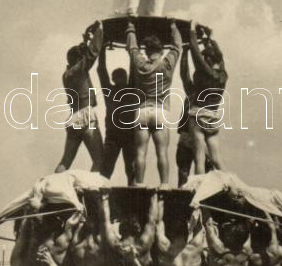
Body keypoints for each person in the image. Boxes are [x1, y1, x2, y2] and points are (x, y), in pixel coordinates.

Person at [126, 18, 182, 184]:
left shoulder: (140, 64)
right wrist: (173, 26)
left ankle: (139, 184)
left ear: (146, 50)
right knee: (162, 152)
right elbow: (177, 46)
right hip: (160, 111)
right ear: (162, 50)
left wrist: (131, 27)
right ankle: (164, 184)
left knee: (140, 152)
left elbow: (132, 48)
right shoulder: (167, 64)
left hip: (142, 110)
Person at [55, 21, 104, 174]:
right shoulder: (79, 70)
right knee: (100, 160)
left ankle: (51, 185)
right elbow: (91, 54)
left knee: (65, 161)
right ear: (78, 60)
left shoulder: (67, 74)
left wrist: (85, 40)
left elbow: (82, 54)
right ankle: (92, 186)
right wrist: (100, 31)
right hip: (85, 115)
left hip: (73, 117)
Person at [180, 23, 228, 174]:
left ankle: (199, 186)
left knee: (199, 157)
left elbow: (196, 53)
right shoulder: (223, 75)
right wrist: (210, 38)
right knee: (216, 159)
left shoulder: (204, 72)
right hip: (213, 117)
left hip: (198, 115)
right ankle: (229, 184)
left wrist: (192, 31)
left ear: (207, 59)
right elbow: (219, 57)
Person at [97, 39, 135, 183]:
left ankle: (102, 188)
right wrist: (131, 51)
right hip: (125, 133)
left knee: (107, 169)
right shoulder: (131, 88)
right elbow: (133, 69)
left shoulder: (110, 90)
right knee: (130, 169)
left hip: (116, 133)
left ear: (113, 79)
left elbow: (101, 70)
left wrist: (102, 50)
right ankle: (132, 188)